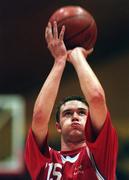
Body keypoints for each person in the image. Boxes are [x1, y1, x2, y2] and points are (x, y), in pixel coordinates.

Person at [24, 21, 118, 180]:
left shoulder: (101, 155)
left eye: (82, 113)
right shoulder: (45, 163)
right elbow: (39, 117)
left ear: (90, 123)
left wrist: (77, 57)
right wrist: (59, 61)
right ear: (58, 126)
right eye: (67, 114)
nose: (75, 116)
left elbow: (96, 97)